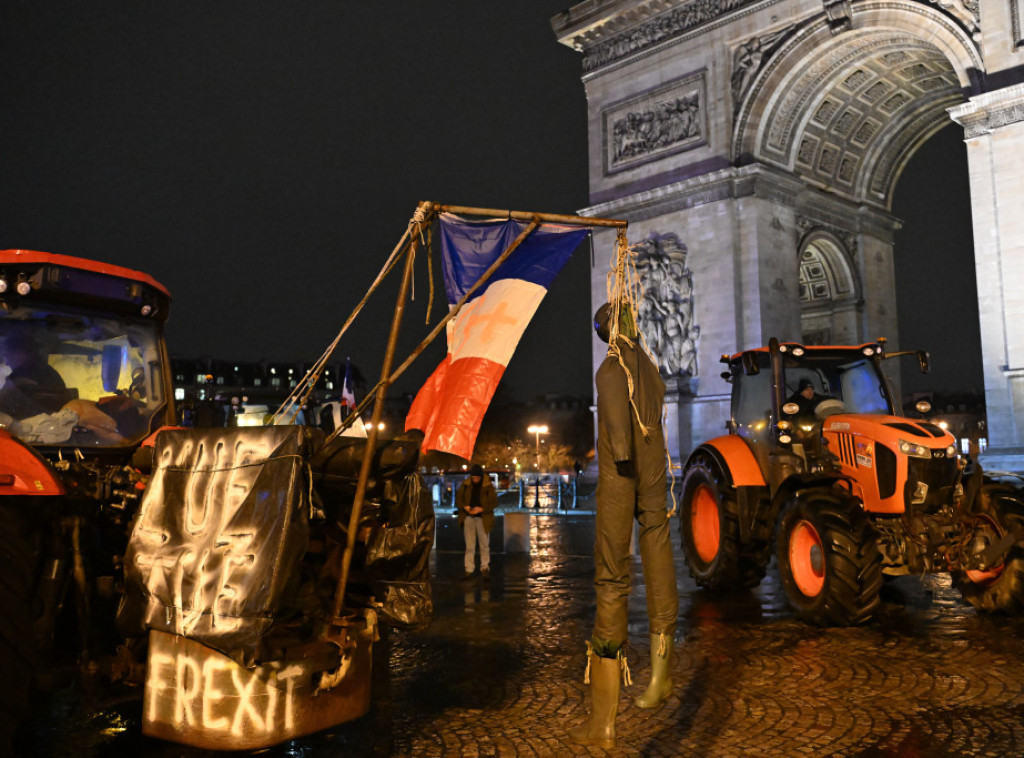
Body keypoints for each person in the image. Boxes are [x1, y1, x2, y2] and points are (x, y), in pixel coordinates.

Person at [570, 302, 679, 749]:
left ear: (605, 331)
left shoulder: (612, 370)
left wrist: (620, 459)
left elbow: (617, 439)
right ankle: (660, 677)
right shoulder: (650, 367)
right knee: (659, 554)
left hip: (623, 478)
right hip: (657, 474)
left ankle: (604, 722)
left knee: (612, 578)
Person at [0, 332, 67, 418]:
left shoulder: (30, 375)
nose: (7, 362)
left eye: (8, 355)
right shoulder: (46, 371)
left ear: (21, 353)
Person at [456, 464, 497, 579]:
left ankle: (484, 567)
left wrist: (482, 509)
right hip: (469, 517)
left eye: (477, 478)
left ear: (481, 477)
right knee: (470, 545)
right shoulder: (466, 485)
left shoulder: (488, 486)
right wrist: (465, 507)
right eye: (473, 477)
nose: (475, 480)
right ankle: (469, 569)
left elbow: (493, 502)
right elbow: (459, 499)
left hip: (483, 518)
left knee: (484, 544)